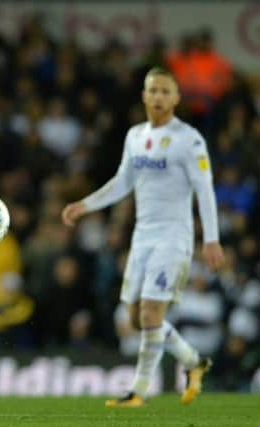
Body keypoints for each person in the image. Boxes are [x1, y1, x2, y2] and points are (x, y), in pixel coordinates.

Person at [62, 67, 225, 407]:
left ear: (177, 98)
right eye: (153, 91)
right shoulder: (135, 135)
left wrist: (211, 239)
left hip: (173, 236)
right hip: (142, 236)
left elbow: (204, 189)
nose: (159, 97)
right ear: (144, 96)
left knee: (151, 314)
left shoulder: (190, 139)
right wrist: (85, 205)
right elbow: (123, 182)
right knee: (137, 319)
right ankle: (194, 362)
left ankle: (139, 390)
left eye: (166, 91)